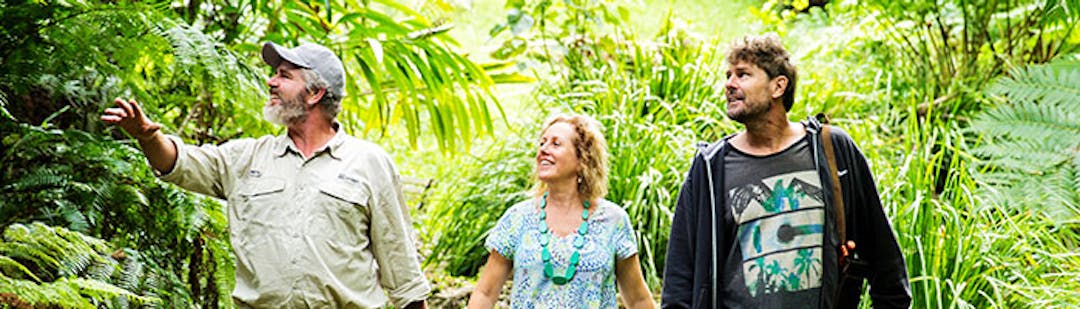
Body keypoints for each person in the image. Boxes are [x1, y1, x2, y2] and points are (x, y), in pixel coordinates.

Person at [101, 42, 431, 308]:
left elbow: (401, 268)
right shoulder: (246, 157)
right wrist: (147, 136)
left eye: (285, 75)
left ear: (315, 93)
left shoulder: (369, 162)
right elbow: (180, 163)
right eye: (274, 74)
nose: (270, 82)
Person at [660, 34, 911, 308]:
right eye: (728, 75)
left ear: (778, 86)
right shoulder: (711, 168)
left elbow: (884, 257)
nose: (729, 85)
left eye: (742, 75)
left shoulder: (831, 149)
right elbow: (679, 277)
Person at [467, 114, 655, 309]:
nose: (543, 150)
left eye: (556, 144)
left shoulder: (613, 220)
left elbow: (637, 299)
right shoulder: (517, 218)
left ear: (583, 159)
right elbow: (485, 293)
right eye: (542, 143)